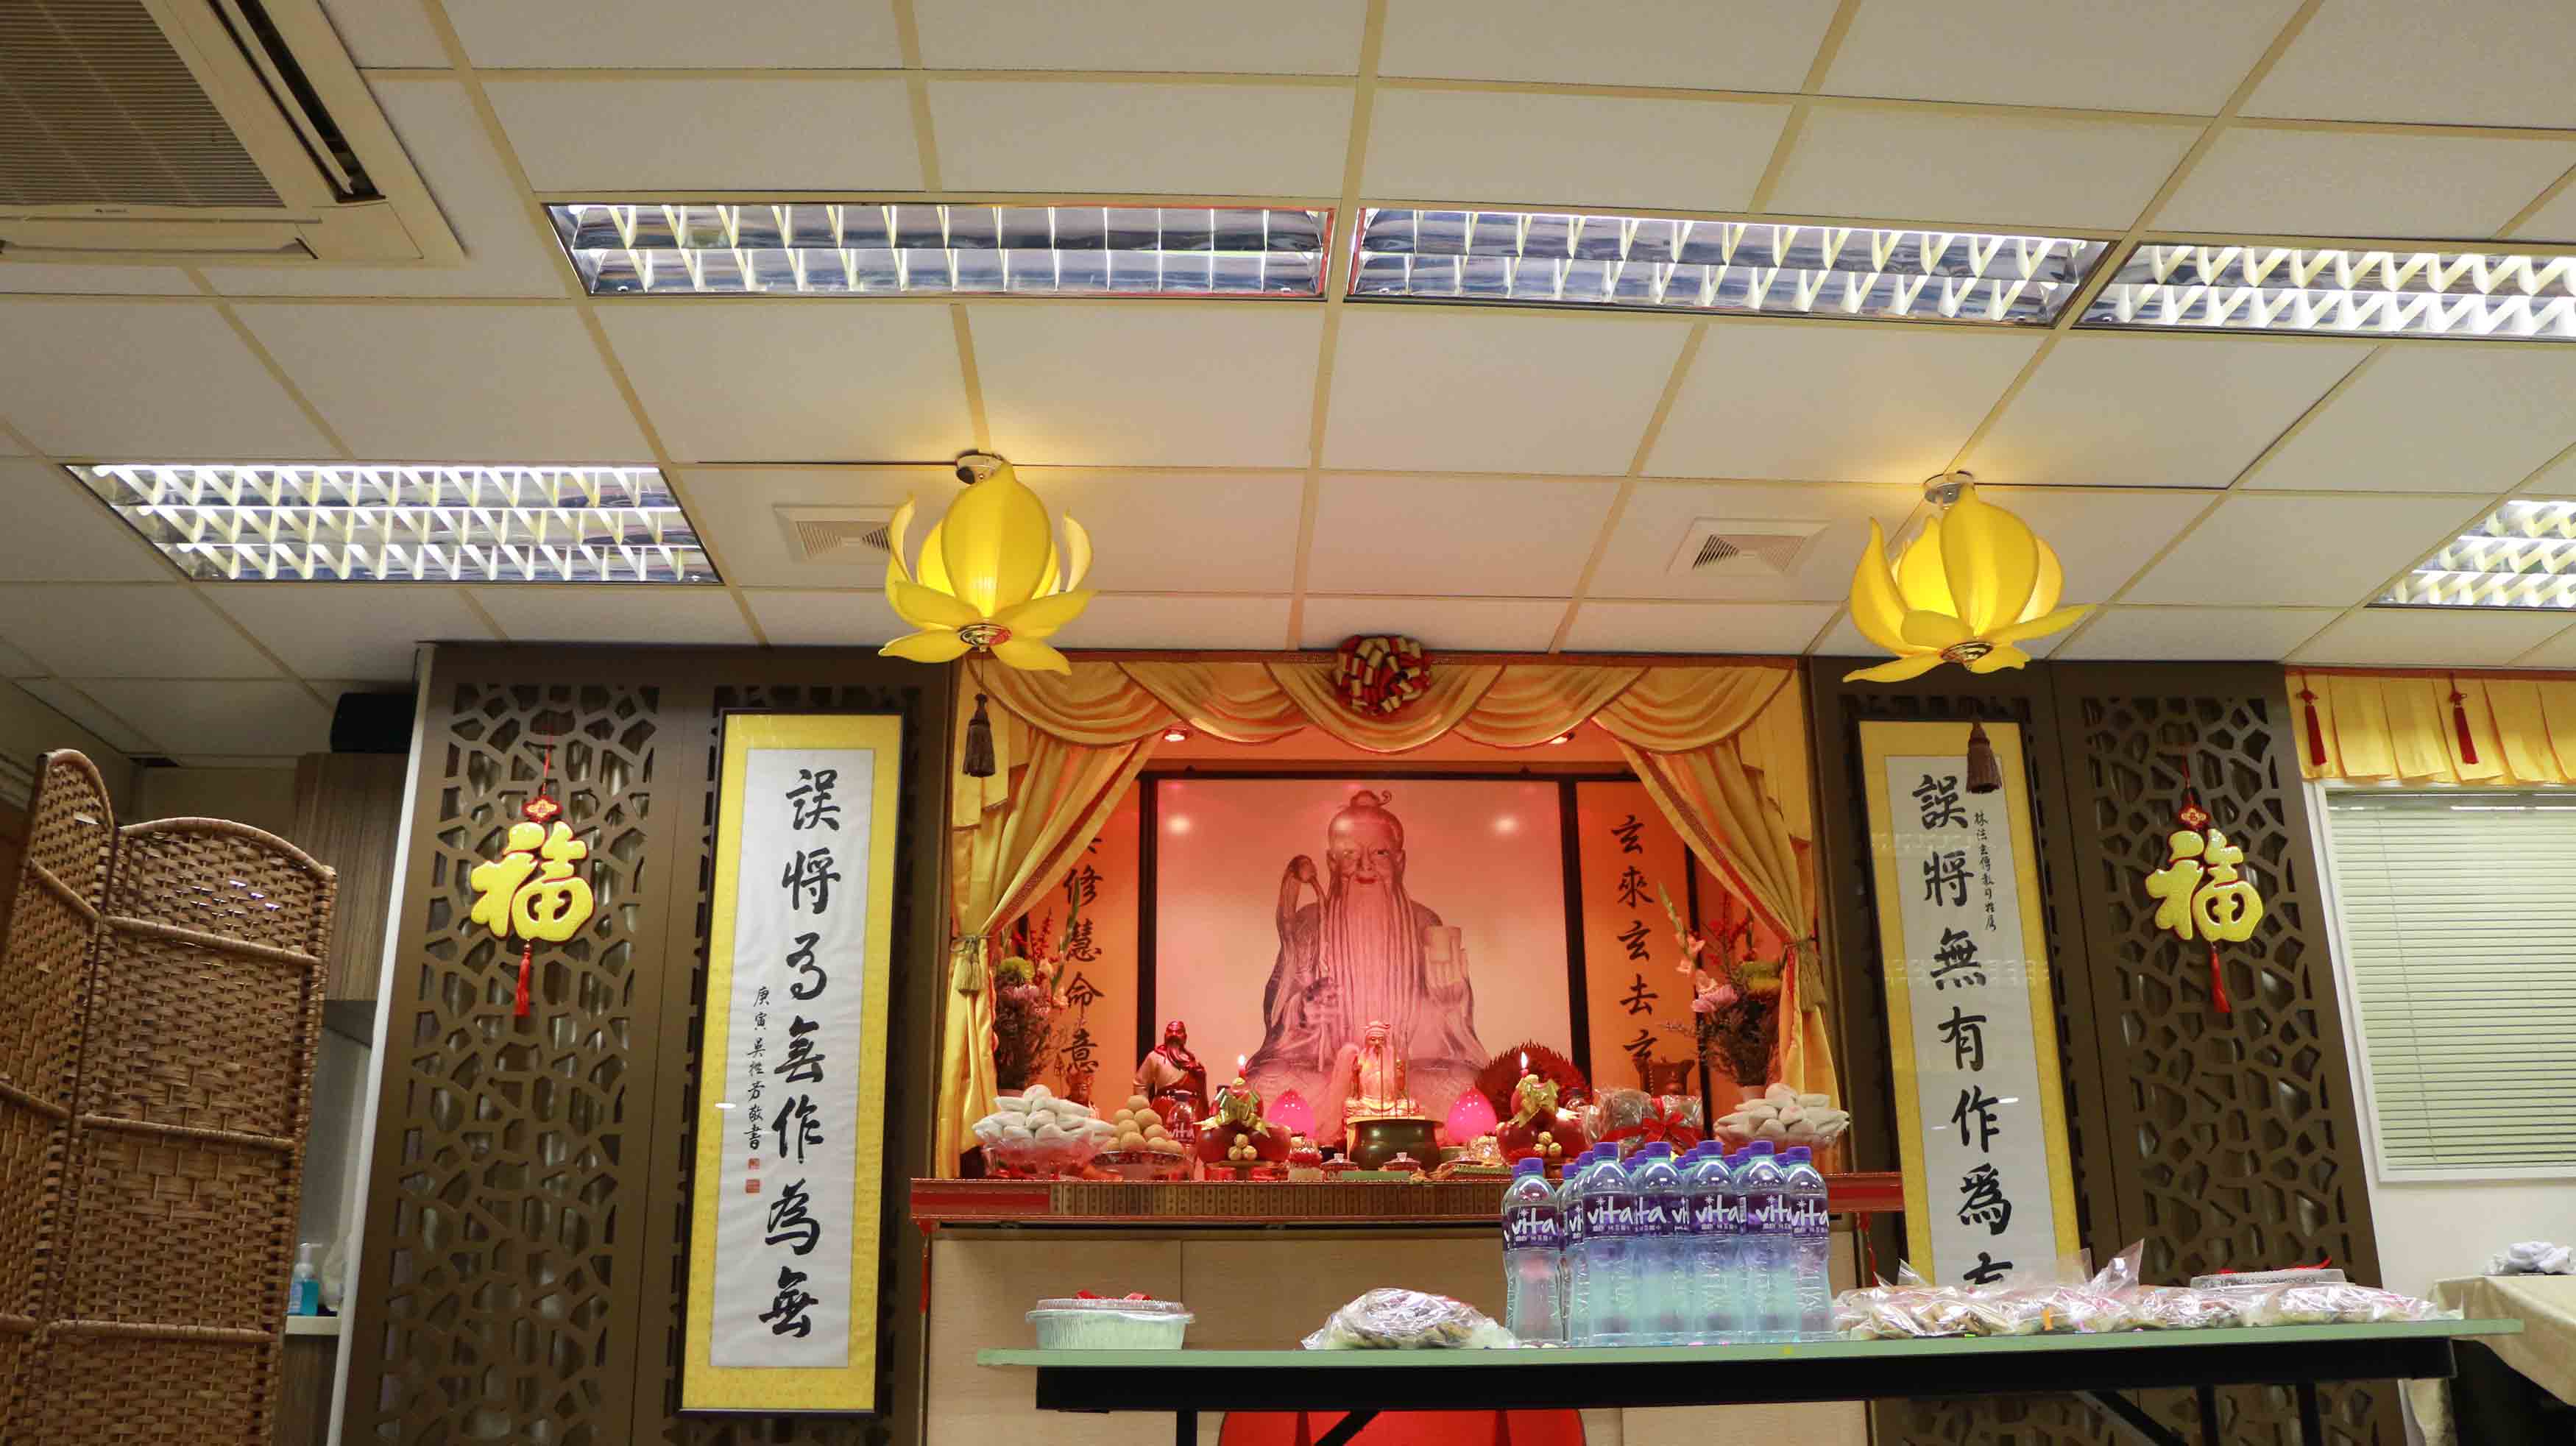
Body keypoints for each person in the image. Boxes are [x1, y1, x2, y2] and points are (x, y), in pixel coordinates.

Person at [1248, 790, 1484, 1138]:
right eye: (1350, 854)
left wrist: (1449, 1002)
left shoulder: (1424, 922)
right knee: (1266, 1081)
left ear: (1400, 860)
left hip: (1406, 1072)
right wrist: (1303, 1011)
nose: (1365, 867)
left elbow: (1451, 1032)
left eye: (1380, 853)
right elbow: (1278, 1007)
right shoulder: (1310, 922)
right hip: (1327, 1071)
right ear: (1331, 862)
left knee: (1464, 1082)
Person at [1132, 1018, 1209, 1122]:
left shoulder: (1193, 1062)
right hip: (1163, 1109)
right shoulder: (1155, 1057)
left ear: (1185, 1037)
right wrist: (1145, 1111)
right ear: (1165, 1036)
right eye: (1170, 1031)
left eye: (1178, 1032)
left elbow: (1201, 1093)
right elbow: (1140, 1084)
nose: (1174, 1035)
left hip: (1190, 1112)